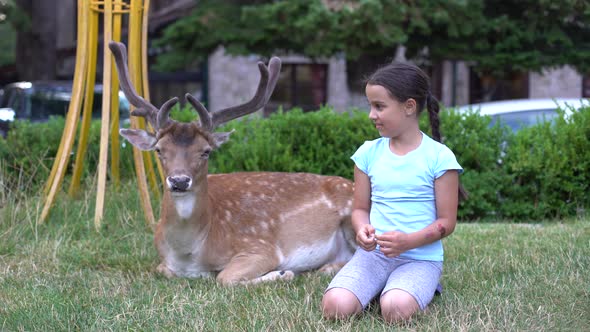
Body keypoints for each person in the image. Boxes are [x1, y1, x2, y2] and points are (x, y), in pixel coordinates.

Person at [321, 61, 466, 324]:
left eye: (379, 106)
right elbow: (361, 209)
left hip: (419, 258)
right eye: (370, 106)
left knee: (395, 310)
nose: (371, 115)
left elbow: (447, 223)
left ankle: (412, 288)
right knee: (335, 307)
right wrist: (362, 228)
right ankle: (384, 285)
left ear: (409, 106)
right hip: (373, 256)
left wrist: (408, 242)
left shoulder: (439, 158)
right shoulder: (367, 154)